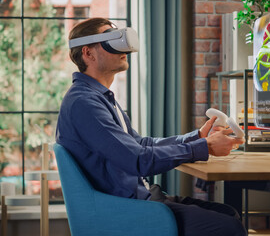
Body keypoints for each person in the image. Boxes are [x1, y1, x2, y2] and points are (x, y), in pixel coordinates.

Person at [56, 18, 246, 236]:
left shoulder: (99, 97)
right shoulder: (84, 103)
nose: (124, 48)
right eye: (111, 40)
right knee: (228, 227)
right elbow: (137, 160)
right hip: (125, 209)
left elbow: (140, 144)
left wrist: (196, 138)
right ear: (88, 54)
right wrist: (204, 147)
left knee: (228, 213)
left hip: (140, 196)